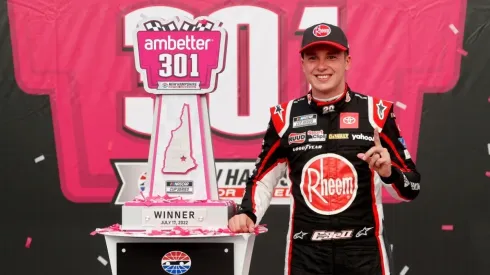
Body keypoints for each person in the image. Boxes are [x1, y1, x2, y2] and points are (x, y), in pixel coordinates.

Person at [228, 22, 421, 275]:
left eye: (331, 57)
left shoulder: (377, 113)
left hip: (363, 251)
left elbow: (411, 188)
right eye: (312, 58)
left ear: (347, 61)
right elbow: (262, 179)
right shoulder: (284, 117)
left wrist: (388, 172)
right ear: (303, 64)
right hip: (306, 253)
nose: (321, 66)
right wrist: (249, 213)